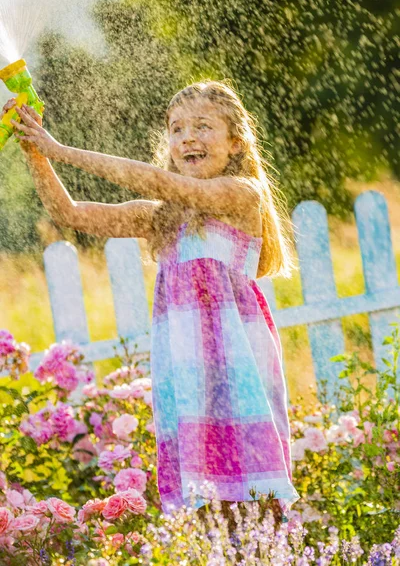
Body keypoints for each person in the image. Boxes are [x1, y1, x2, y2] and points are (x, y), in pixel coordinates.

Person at [3, 80, 300, 535]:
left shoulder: (243, 195)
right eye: (177, 128)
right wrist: (36, 150)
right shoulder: (162, 217)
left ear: (236, 141)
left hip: (235, 367)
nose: (187, 138)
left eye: (203, 126)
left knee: (250, 499)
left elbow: (162, 180)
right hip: (184, 370)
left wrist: (62, 150)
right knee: (201, 511)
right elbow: (72, 213)